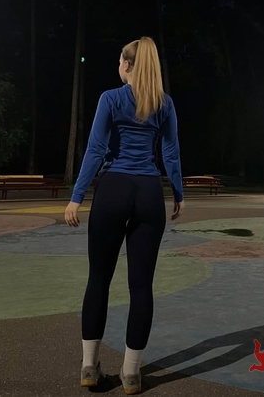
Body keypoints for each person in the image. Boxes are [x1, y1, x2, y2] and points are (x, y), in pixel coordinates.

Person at [64, 36, 184, 395]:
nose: (118, 66)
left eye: (120, 61)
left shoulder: (110, 98)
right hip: (148, 193)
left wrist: (76, 197)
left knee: (98, 280)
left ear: (128, 65)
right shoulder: (164, 103)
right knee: (141, 286)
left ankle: (89, 367)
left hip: (113, 190)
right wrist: (178, 193)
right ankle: (131, 374)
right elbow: (171, 152)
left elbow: (96, 149)